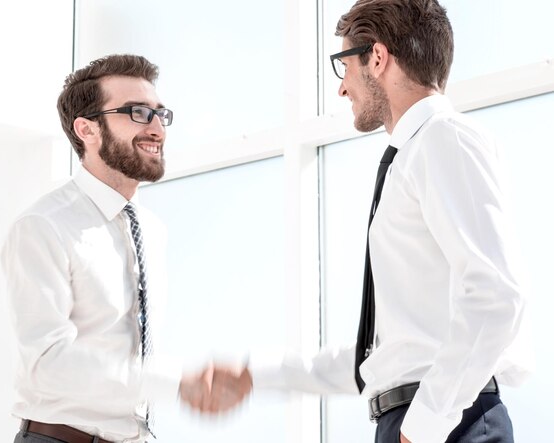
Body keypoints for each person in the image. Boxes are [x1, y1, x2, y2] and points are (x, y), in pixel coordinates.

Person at [195, 1, 533, 442]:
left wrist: (424, 427)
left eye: (344, 66)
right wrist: (254, 376)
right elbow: (387, 355)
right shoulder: (412, 157)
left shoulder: (443, 140)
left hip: (448, 423)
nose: (341, 89)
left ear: (377, 58)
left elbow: (496, 296)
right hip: (418, 418)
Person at [2, 54, 247, 443]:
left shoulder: (151, 230)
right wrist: (175, 384)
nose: (156, 129)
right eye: (136, 112)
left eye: (159, 114)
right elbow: (47, 362)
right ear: (87, 130)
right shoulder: (43, 225)